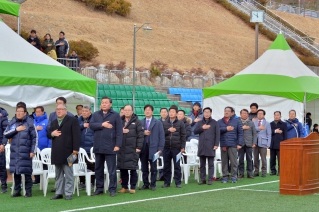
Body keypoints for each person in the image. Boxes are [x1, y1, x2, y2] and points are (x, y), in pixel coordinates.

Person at [90, 96, 122, 197]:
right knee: (98, 169)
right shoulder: (95, 114)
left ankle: (112, 189)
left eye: (106, 102)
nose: (103, 104)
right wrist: (102, 124)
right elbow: (91, 125)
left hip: (110, 147)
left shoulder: (115, 115)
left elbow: (119, 132)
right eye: (102, 102)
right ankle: (99, 188)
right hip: (98, 146)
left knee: (111, 170)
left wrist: (117, 145)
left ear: (110, 104)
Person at [2, 104, 37, 198]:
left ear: (25, 113)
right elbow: (5, 134)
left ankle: (28, 191)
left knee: (27, 172)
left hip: (26, 151)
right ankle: (18, 191)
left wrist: (32, 150)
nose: (19, 113)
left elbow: (35, 138)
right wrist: (16, 130)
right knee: (16, 171)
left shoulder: (30, 123)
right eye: (17, 111)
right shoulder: (12, 122)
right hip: (15, 151)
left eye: (21, 111)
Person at [47, 104, 80, 201]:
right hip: (57, 152)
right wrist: (52, 134)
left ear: (65, 110)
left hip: (69, 152)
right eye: (57, 109)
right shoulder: (53, 122)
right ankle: (59, 192)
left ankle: (69, 193)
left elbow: (77, 135)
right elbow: (48, 134)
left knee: (69, 173)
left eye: (61, 109)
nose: (59, 111)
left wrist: (75, 150)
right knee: (58, 174)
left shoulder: (72, 120)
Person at [117, 105, 143, 194]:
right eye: (125, 110)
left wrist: (138, 147)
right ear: (123, 111)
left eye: (129, 110)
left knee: (132, 169)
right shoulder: (119, 121)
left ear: (132, 111)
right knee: (122, 169)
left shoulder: (137, 122)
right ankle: (124, 187)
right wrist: (121, 131)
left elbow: (140, 136)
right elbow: (114, 132)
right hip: (121, 149)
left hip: (133, 149)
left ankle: (132, 187)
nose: (127, 112)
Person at [139, 105, 165, 191]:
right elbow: (137, 134)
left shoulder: (158, 123)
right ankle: (146, 183)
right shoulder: (140, 122)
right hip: (143, 147)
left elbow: (162, 136)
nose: (147, 111)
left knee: (153, 167)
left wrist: (160, 148)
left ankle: (153, 184)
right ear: (144, 112)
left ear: (152, 112)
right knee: (144, 167)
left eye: (149, 110)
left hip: (154, 148)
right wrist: (143, 132)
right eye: (146, 110)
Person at [194, 107, 220, 185]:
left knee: (210, 164)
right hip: (202, 145)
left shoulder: (214, 122)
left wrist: (216, 144)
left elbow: (217, 134)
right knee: (202, 164)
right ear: (203, 113)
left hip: (211, 145)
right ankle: (203, 179)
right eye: (205, 112)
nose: (207, 113)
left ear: (211, 113)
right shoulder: (200, 122)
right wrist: (202, 128)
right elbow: (195, 131)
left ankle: (210, 179)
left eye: (208, 112)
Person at [162, 105, 186, 188]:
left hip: (176, 148)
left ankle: (178, 182)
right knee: (166, 166)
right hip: (166, 147)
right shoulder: (164, 123)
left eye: (173, 112)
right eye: (170, 112)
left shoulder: (180, 123)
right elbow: (161, 134)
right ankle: (166, 182)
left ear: (176, 113)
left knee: (177, 166)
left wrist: (182, 147)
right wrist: (168, 130)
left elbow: (183, 136)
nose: (171, 113)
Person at [218, 106, 243, 183]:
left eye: (228, 111)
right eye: (225, 111)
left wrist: (239, 143)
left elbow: (240, 133)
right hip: (224, 144)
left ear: (232, 113)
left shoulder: (237, 121)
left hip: (233, 144)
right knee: (224, 162)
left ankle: (234, 176)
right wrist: (226, 129)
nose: (226, 112)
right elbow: (217, 131)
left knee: (233, 162)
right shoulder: (219, 121)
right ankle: (225, 176)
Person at [33, 106, 51, 185]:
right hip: (35, 147)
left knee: (45, 164)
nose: (37, 113)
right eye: (36, 112)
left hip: (44, 147)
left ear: (43, 112)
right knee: (36, 163)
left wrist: (49, 147)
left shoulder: (47, 121)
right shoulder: (32, 121)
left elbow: (50, 135)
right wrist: (35, 129)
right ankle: (37, 179)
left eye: (39, 111)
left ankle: (45, 179)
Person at [78, 106, 95, 190]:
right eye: (83, 111)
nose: (84, 112)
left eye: (86, 111)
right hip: (80, 148)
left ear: (90, 112)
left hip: (90, 148)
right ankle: (82, 182)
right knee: (80, 165)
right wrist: (82, 125)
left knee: (91, 166)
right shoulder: (78, 120)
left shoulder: (94, 120)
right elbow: (74, 129)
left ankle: (92, 182)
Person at [238, 109, 257, 179]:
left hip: (249, 143)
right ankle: (241, 173)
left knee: (249, 159)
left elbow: (254, 134)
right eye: (243, 113)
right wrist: (242, 128)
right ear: (240, 114)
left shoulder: (251, 123)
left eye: (246, 113)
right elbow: (235, 131)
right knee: (240, 159)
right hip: (240, 144)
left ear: (248, 115)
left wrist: (254, 143)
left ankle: (249, 173)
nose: (244, 114)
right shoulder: (237, 122)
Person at [253, 109, 271, 177]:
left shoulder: (267, 123)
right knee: (255, 158)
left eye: (261, 114)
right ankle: (256, 171)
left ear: (264, 115)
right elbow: (253, 130)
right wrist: (259, 128)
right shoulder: (254, 122)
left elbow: (269, 134)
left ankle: (264, 172)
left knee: (263, 158)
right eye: (258, 114)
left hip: (263, 142)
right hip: (255, 142)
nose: (259, 115)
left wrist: (268, 143)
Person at [270, 111, 287, 176]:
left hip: (280, 144)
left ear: (280, 116)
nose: (276, 116)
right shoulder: (271, 123)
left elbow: (285, 134)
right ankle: (273, 170)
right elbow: (269, 132)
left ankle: (280, 171)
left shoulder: (283, 124)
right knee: (272, 159)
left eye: (278, 115)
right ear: (273, 116)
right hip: (272, 143)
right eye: (275, 115)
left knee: (280, 159)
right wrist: (275, 131)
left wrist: (285, 143)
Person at [157, 107, 168, 181]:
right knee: (160, 159)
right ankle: (161, 175)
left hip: (167, 143)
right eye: (162, 112)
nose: (163, 113)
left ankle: (166, 175)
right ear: (160, 113)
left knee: (166, 160)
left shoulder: (170, 121)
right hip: (159, 143)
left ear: (167, 113)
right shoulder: (157, 122)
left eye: (165, 112)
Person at [0, 107, 8, 193]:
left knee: (1, 165)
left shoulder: (3, 113)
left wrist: (3, 143)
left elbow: (5, 131)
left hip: (0, 144)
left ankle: (4, 184)